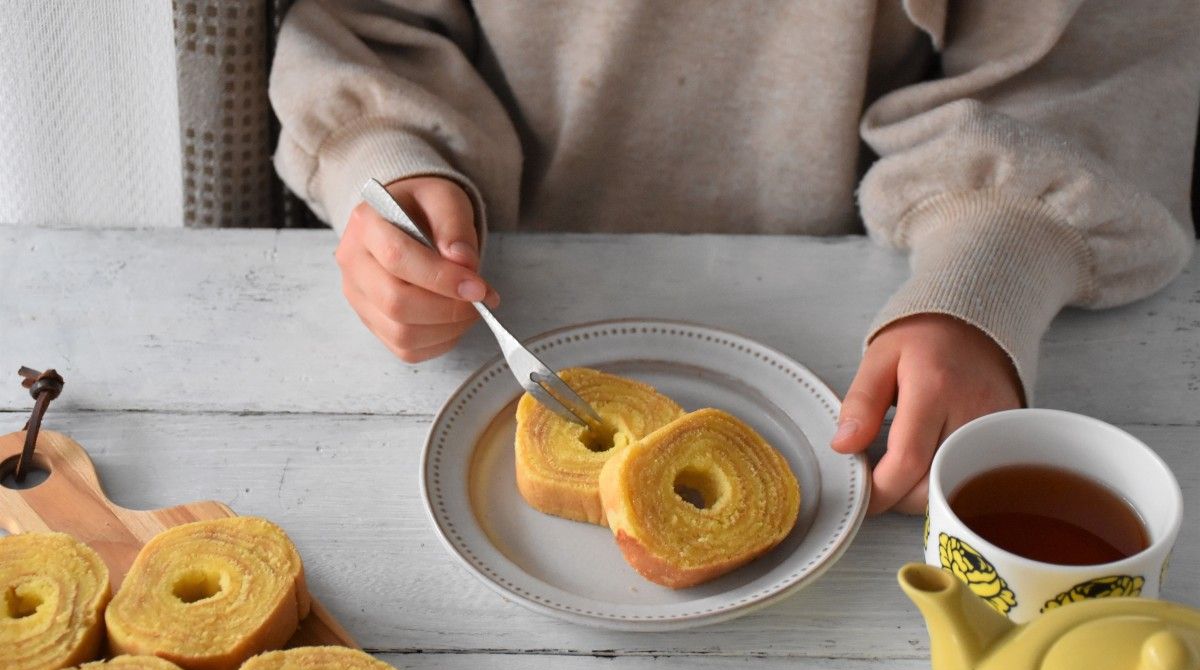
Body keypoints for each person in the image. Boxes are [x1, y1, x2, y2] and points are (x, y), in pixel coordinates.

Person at [269, 0, 1199, 515]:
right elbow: (373, 24)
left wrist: (985, 274)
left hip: (877, 321)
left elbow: (1080, 62)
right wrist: (390, 166)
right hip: (510, 290)